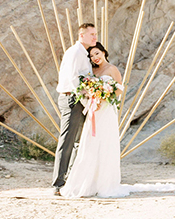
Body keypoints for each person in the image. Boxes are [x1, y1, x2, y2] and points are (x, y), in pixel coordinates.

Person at [60, 41, 125, 198]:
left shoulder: (112, 69)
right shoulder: (92, 71)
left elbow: (119, 90)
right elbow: (84, 88)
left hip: (106, 110)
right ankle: (88, 182)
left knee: (106, 143)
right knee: (90, 143)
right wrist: (92, 95)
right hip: (93, 111)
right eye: (91, 55)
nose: (95, 57)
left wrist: (104, 95)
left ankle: (105, 183)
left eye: (97, 53)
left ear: (103, 52)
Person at [51, 23, 97, 195]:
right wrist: (89, 91)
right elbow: (72, 79)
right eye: (91, 34)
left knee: (82, 140)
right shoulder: (75, 52)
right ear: (81, 35)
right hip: (72, 98)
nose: (95, 37)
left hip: (80, 100)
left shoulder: (83, 54)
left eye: (95, 34)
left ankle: (73, 178)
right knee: (67, 140)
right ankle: (59, 183)